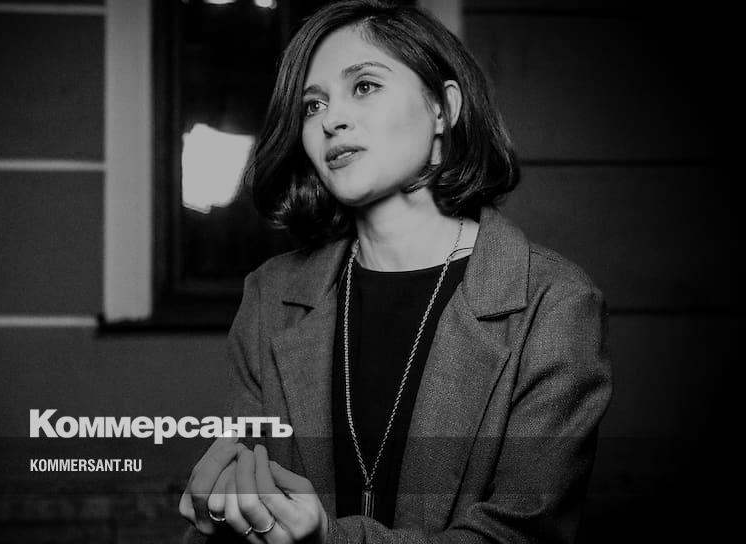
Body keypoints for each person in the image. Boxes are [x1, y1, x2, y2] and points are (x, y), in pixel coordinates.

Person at [179, 1, 612, 542]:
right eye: (314, 105)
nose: (331, 120)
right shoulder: (271, 295)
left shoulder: (554, 303)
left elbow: (522, 535)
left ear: (443, 109)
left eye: (364, 86)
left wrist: (330, 539)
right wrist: (226, 512)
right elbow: (251, 498)